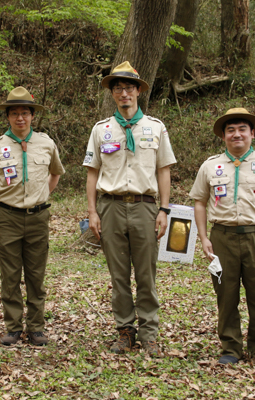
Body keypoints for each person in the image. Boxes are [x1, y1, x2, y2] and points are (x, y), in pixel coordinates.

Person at [83, 61, 177, 357]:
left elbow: (164, 170)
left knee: (146, 274)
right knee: (118, 275)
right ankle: (124, 330)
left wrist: (164, 209)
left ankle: (149, 333)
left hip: (145, 208)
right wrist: (92, 212)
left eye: (129, 88)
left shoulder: (155, 128)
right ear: (112, 94)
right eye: (118, 88)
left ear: (138, 91)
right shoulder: (101, 130)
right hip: (110, 208)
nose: (124, 93)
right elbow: (92, 173)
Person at [189, 108, 255, 365]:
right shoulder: (210, 165)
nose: (237, 134)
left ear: (252, 133)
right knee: (226, 294)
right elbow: (199, 202)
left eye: (242, 129)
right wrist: (203, 237)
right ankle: (230, 348)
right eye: (231, 130)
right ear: (223, 136)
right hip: (222, 237)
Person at [0, 87, 65, 346]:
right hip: (7, 217)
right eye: (14, 113)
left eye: (25, 113)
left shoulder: (46, 143)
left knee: (36, 275)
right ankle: (14, 327)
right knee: (10, 276)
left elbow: (56, 173)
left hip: (38, 218)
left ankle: (36, 327)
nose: (20, 118)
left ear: (32, 115)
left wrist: (40, 195)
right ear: (7, 116)